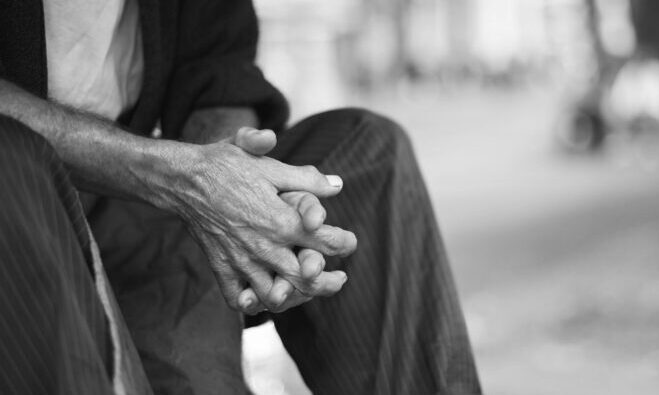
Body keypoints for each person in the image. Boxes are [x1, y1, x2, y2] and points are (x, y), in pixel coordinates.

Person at [0, 1, 481, 394]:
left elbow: (220, 71)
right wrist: (182, 180)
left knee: (369, 152)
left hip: (153, 190)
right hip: (30, 196)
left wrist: (240, 190)